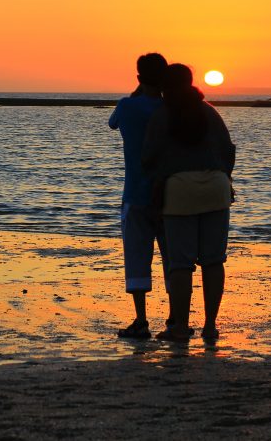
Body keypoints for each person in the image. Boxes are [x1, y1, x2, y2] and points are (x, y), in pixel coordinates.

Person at [142, 63, 235, 341]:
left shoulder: (162, 115)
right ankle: (210, 326)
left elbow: (148, 158)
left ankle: (181, 327)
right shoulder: (210, 112)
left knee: (180, 264)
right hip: (216, 189)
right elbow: (228, 152)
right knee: (213, 261)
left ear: (164, 88)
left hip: (179, 191)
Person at [109, 53, 170, 338]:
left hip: (135, 193)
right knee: (173, 258)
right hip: (171, 194)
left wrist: (136, 93)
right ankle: (175, 318)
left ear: (138, 78)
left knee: (136, 256)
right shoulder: (170, 108)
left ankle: (141, 320)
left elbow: (112, 123)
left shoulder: (127, 106)